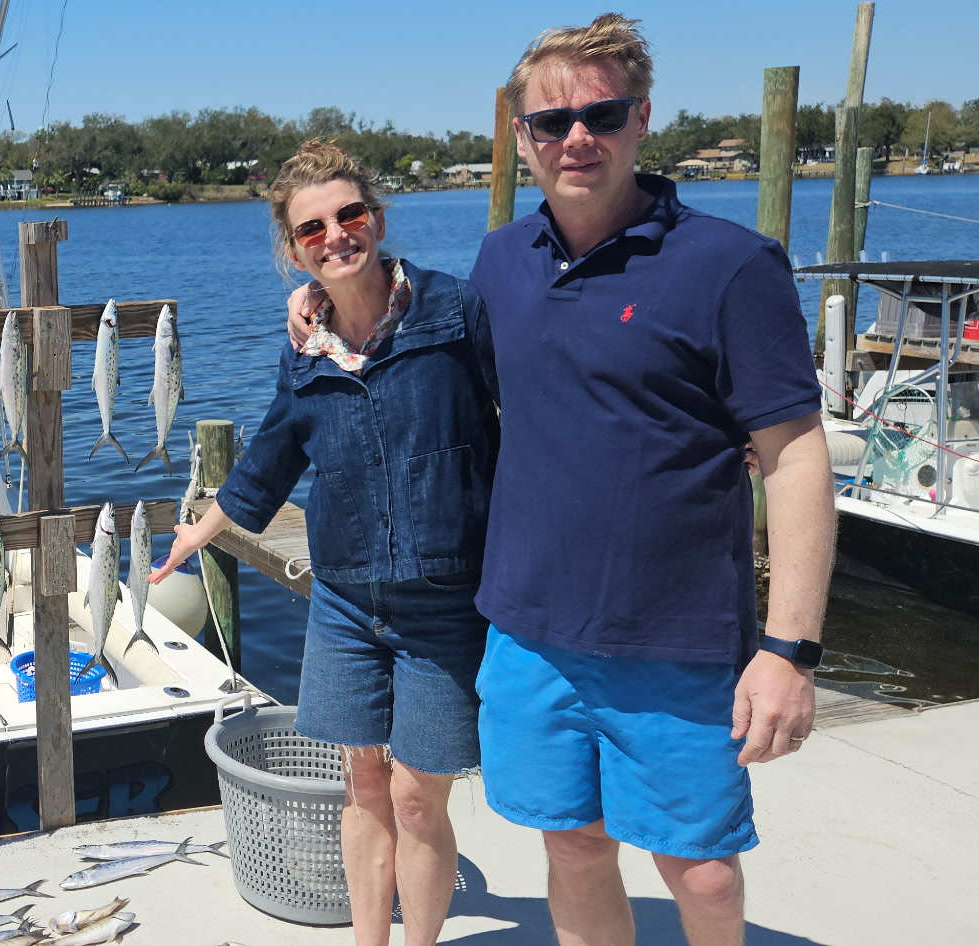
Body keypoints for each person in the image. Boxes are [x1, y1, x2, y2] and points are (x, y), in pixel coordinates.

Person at [290, 15, 833, 946]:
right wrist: (319, 299)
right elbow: (409, 336)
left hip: (677, 636)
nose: (577, 137)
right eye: (552, 122)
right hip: (527, 632)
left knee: (701, 869)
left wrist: (789, 651)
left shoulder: (732, 265)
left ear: (641, 118)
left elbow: (795, 457)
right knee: (573, 847)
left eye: (603, 114)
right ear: (522, 137)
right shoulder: (502, 260)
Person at [156, 139, 499, 946]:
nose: (336, 235)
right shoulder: (305, 345)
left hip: (445, 599)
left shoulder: (457, 310)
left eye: (350, 215)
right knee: (363, 785)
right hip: (345, 599)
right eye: (312, 228)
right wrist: (197, 531)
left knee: (418, 799)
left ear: (376, 218)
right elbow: (274, 452)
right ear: (293, 248)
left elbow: (527, 419)